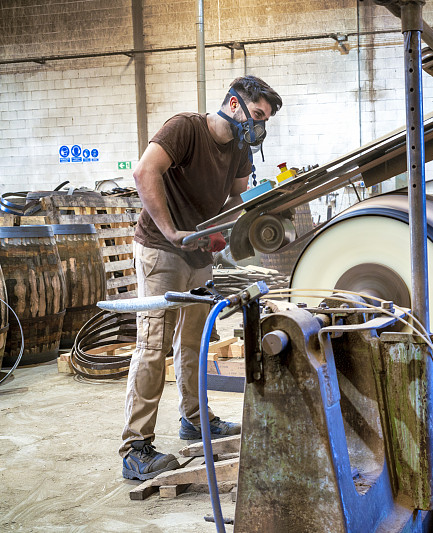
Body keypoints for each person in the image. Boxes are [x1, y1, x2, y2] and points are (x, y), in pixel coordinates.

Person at [120, 75, 282, 480]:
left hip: (196, 251)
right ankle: (135, 447)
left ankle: (194, 419)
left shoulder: (241, 150)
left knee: (193, 340)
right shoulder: (186, 128)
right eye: (257, 114)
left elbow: (238, 198)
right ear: (233, 104)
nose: (258, 125)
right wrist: (173, 231)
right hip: (161, 246)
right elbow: (144, 173)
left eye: (265, 119)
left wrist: (218, 229)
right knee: (154, 344)